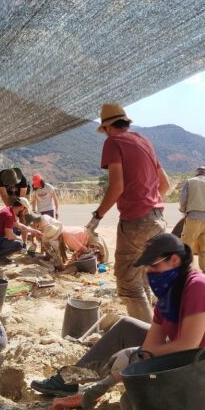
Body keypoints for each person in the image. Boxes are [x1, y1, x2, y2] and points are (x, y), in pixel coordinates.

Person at [30, 233, 205, 410]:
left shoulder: (198, 287)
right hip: (186, 362)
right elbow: (149, 348)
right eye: (147, 268)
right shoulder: (168, 295)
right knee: (126, 327)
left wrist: (134, 357)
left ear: (174, 261)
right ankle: (71, 379)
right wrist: (112, 377)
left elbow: (188, 345)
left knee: (131, 406)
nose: (149, 273)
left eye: (154, 266)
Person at [85, 103, 170, 323]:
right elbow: (165, 184)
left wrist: (97, 217)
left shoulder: (113, 142)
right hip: (158, 219)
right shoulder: (143, 140)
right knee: (142, 278)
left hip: (136, 223)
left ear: (107, 127)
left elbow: (117, 187)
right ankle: (153, 331)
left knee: (128, 285)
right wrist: (149, 203)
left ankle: (146, 337)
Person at [179, 166, 205, 274]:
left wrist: (183, 210)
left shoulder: (190, 182)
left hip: (193, 217)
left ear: (196, 173)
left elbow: (183, 199)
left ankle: (185, 272)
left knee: (187, 245)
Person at [0, 197, 40, 267]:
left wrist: (34, 231)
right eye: (25, 210)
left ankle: (2, 256)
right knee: (18, 245)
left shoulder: (9, 209)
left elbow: (20, 226)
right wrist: (20, 239)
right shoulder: (9, 215)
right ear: (22, 207)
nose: (24, 213)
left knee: (17, 231)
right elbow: (10, 236)